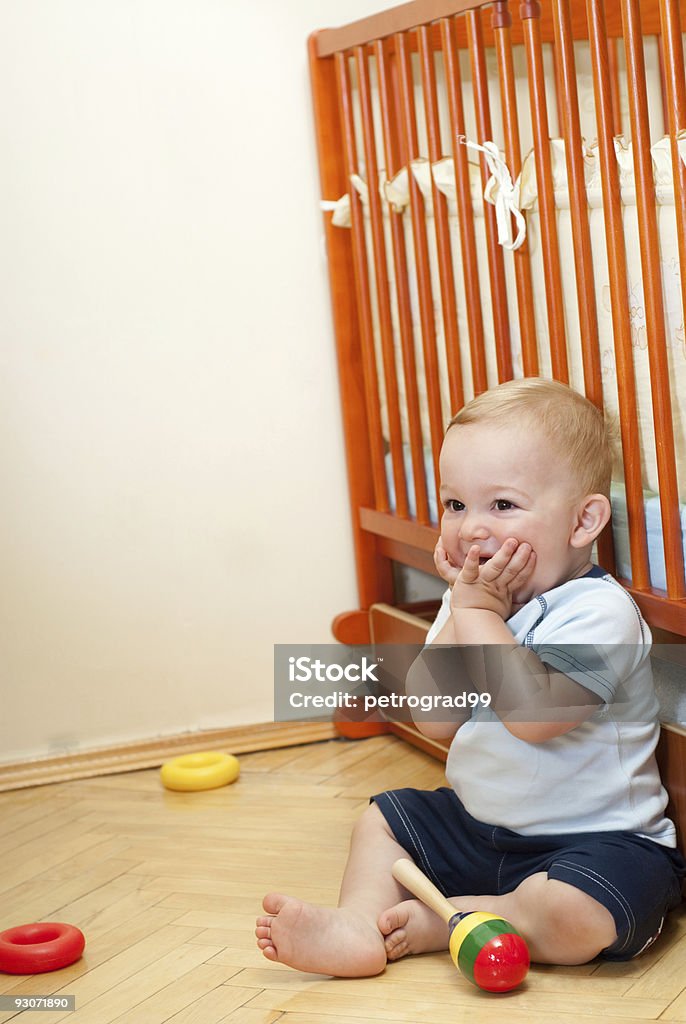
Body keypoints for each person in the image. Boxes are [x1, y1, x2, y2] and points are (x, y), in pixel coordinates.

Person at [255, 378, 686, 977]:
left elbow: (537, 719)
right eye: (456, 505)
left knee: (583, 909)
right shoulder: (469, 606)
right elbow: (435, 720)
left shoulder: (596, 612)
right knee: (382, 820)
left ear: (584, 520)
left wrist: (481, 613)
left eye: (502, 505)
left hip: (593, 842)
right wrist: (465, 610)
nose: (471, 528)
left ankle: (465, 915)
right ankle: (358, 924)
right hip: (482, 829)